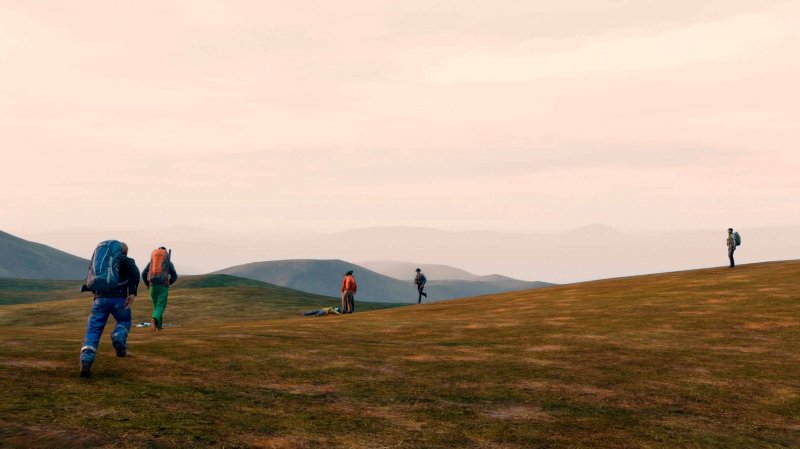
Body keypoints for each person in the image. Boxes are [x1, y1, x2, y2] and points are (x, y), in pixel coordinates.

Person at [79, 241, 139, 378]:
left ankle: (86, 360)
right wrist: (132, 292)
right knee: (124, 321)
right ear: (125, 252)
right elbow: (135, 273)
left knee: (93, 330)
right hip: (119, 300)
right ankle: (118, 336)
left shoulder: (102, 262)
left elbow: (92, 279)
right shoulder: (127, 261)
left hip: (99, 300)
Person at [141, 247, 178, 332]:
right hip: (163, 286)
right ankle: (154, 319)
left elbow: (143, 273)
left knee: (156, 306)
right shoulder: (169, 263)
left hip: (152, 286)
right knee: (161, 305)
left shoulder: (151, 263)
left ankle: (159, 326)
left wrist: (147, 284)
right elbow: (174, 276)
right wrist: (169, 282)